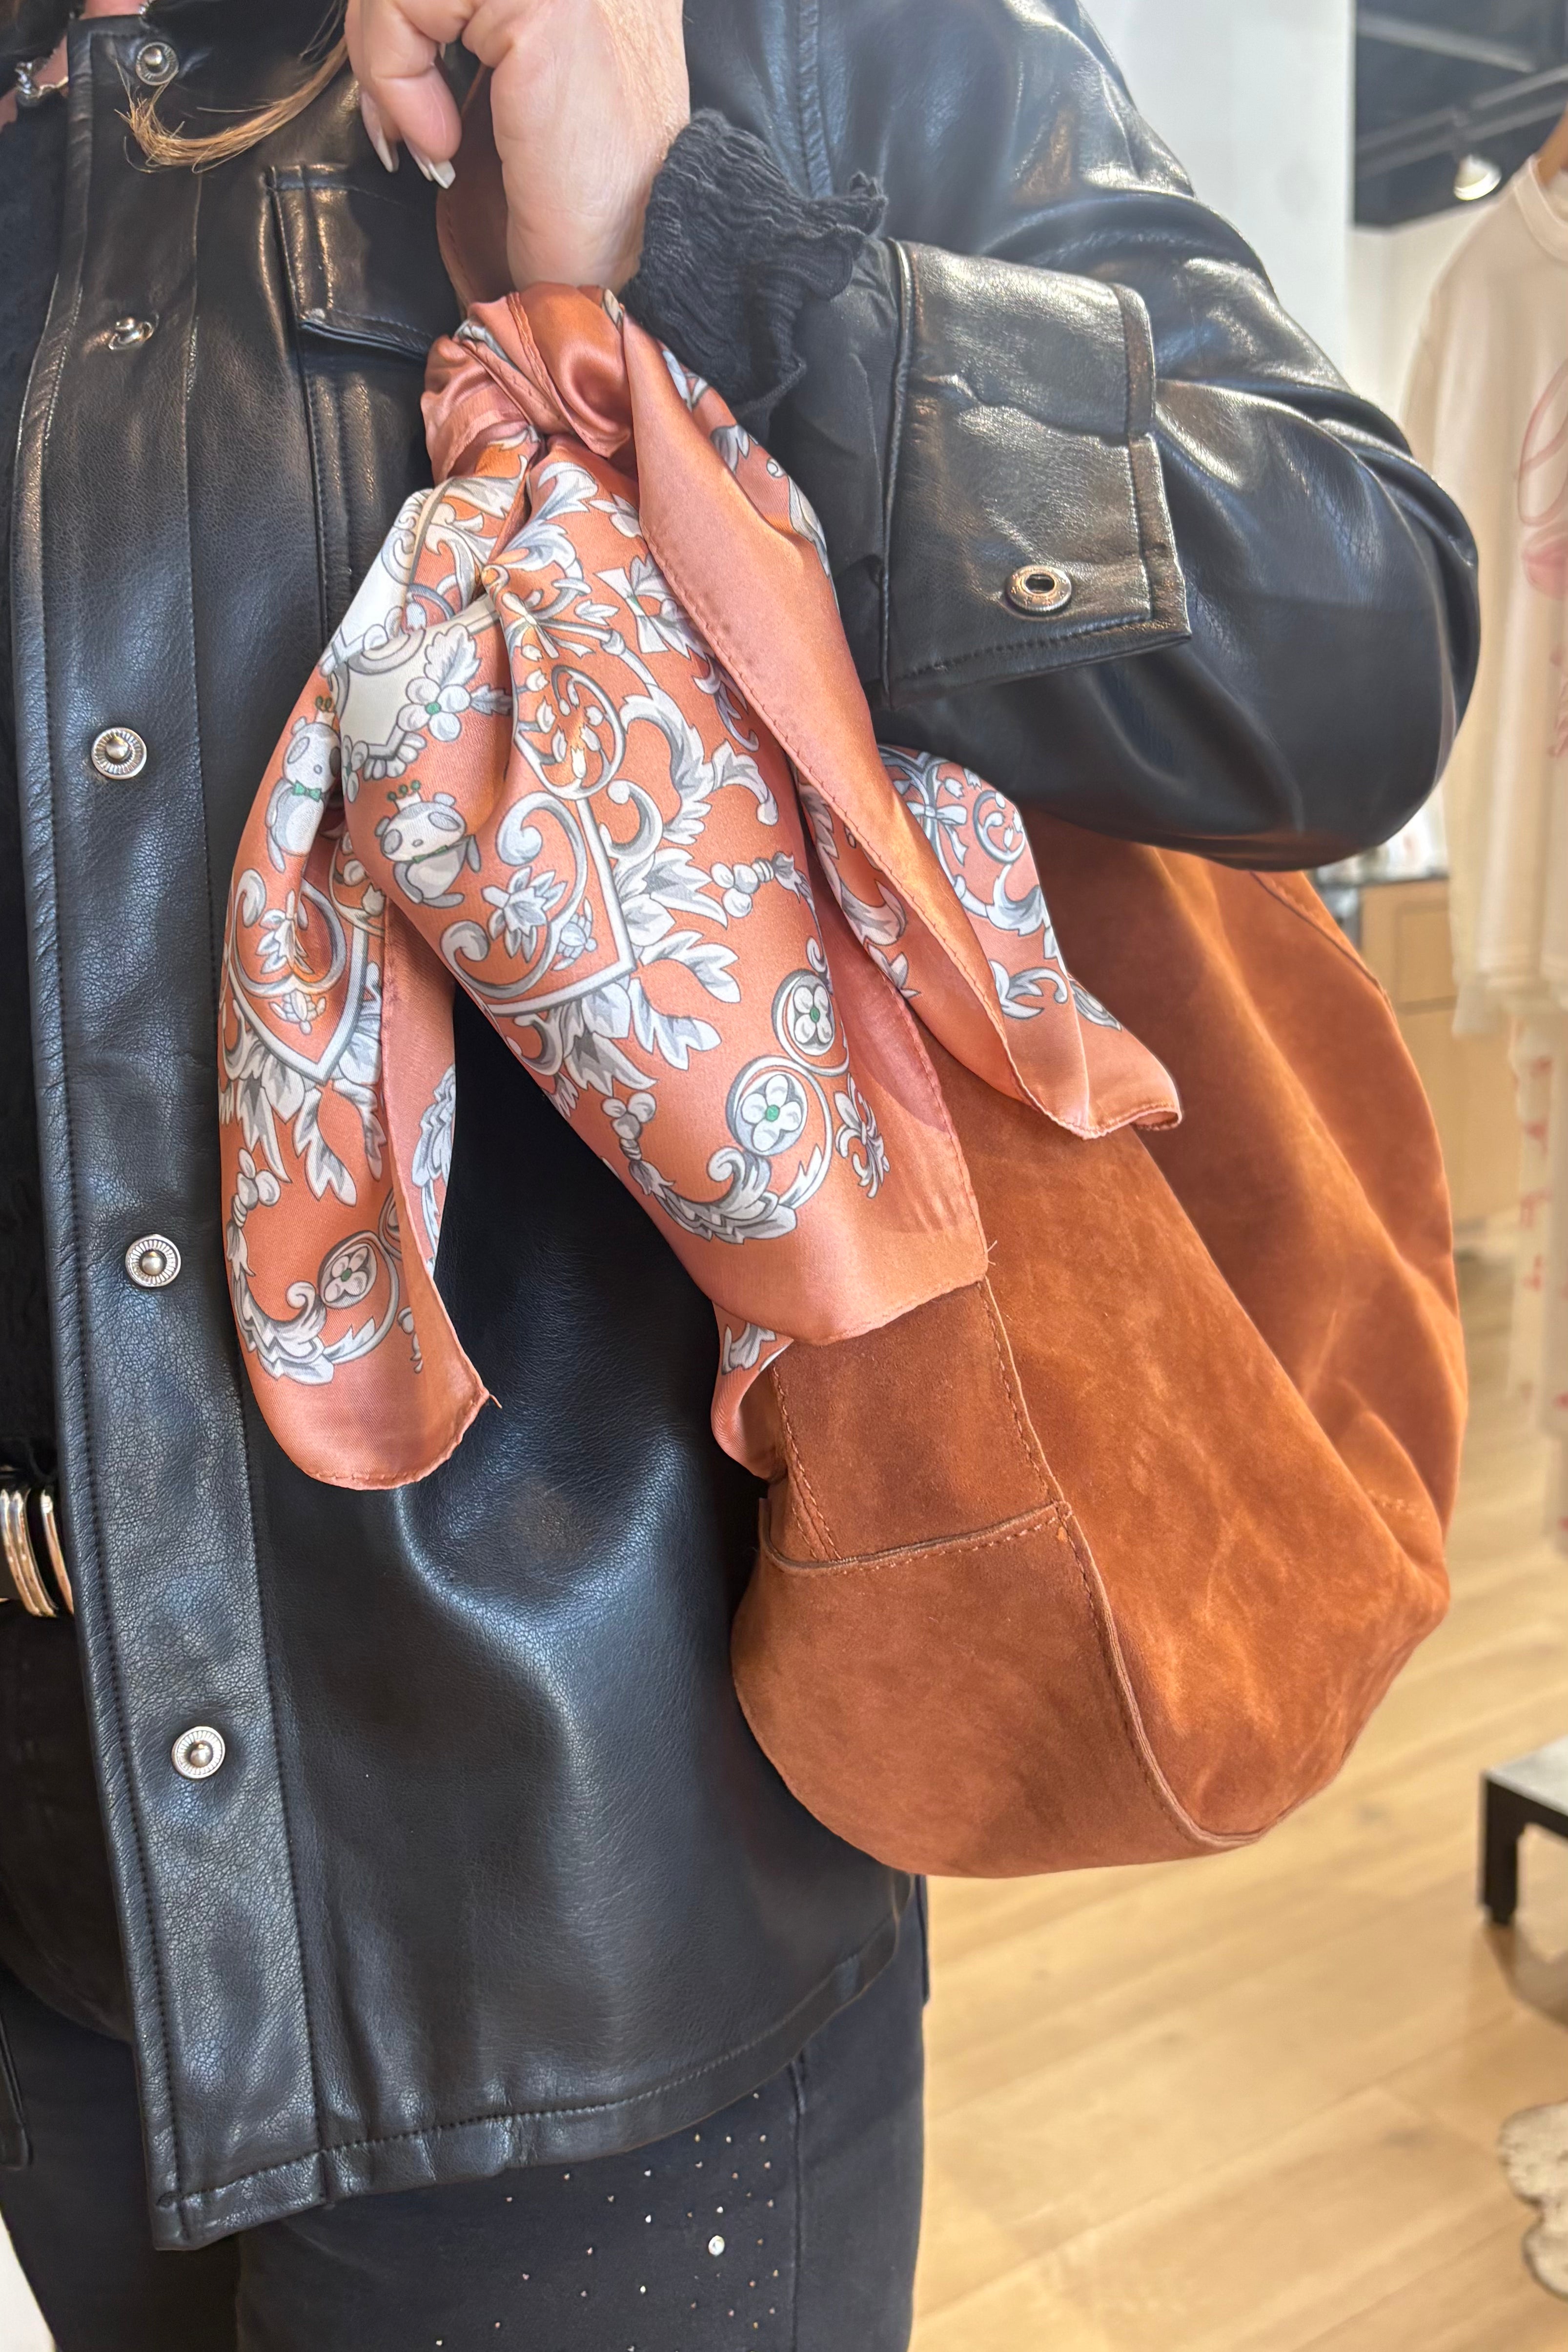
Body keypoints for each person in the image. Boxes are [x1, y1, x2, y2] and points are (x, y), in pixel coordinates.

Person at [0, 0, 1477, 2344]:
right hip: (54, 1909)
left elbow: (1363, 629)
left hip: (591, 1944)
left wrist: (717, 243)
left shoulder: (750, 18)